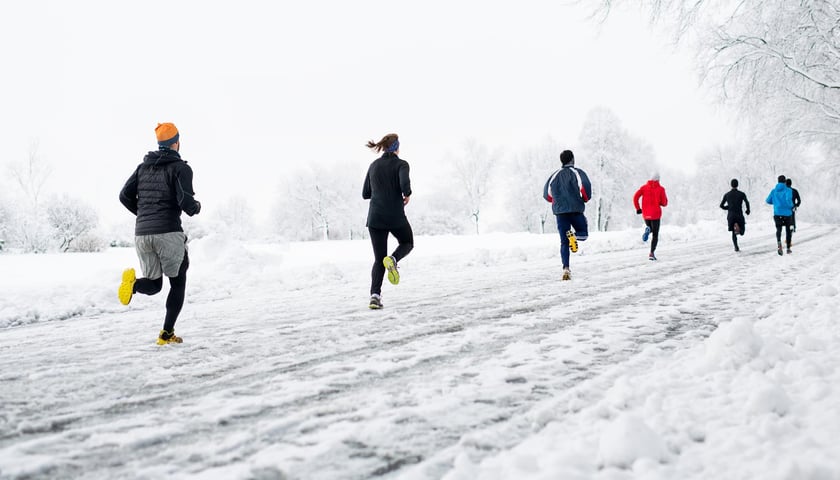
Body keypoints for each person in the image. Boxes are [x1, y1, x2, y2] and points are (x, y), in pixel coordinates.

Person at [118, 123, 202, 345]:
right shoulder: (180, 168)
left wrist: (144, 214)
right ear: (176, 142)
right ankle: (166, 333)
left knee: (154, 285)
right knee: (178, 282)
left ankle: (134, 285)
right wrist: (196, 207)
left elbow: (124, 195)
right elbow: (185, 201)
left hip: (142, 234)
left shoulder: (142, 168)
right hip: (168, 232)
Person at [362, 133, 413, 309]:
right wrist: (406, 195)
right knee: (407, 242)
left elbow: (365, 194)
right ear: (396, 147)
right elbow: (405, 185)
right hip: (395, 215)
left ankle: (374, 297)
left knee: (378, 260)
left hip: (375, 217)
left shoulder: (373, 165)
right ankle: (393, 259)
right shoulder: (402, 164)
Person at [542, 149, 592, 280]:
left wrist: (557, 201)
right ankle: (574, 236)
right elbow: (585, 186)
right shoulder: (577, 172)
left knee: (564, 242)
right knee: (583, 233)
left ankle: (566, 269)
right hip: (575, 209)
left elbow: (546, 194)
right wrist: (585, 199)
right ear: (573, 159)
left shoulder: (554, 175)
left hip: (560, 212)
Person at [633, 172, 669, 261]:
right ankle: (651, 253)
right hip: (655, 214)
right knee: (655, 235)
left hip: (646, 214)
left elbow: (635, 197)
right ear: (658, 179)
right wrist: (660, 201)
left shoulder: (644, 188)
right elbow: (664, 203)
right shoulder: (661, 189)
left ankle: (648, 230)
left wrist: (638, 208)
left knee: (650, 227)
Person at [719, 178, 751, 252]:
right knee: (742, 232)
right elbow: (747, 202)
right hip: (739, 215)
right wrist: (748, 210)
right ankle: (740, 230)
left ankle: (736, 247)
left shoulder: (727, 195)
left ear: (731, 185)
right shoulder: (742, 194)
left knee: (733, 233)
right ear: (737, 185)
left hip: (731, 216)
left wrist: (729, 207)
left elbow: (721, 205)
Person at [766, 174, 794, 255]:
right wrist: (791, 206)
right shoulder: (788, 190)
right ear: (785, 182)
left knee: (779, 229)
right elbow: (788, 199)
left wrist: (775, 202)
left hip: (777, 213)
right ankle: (788, 248)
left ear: (778, 181)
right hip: (787, 214)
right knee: (788, 230)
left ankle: (779, 244)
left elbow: (768, 201)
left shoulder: (773, 191)